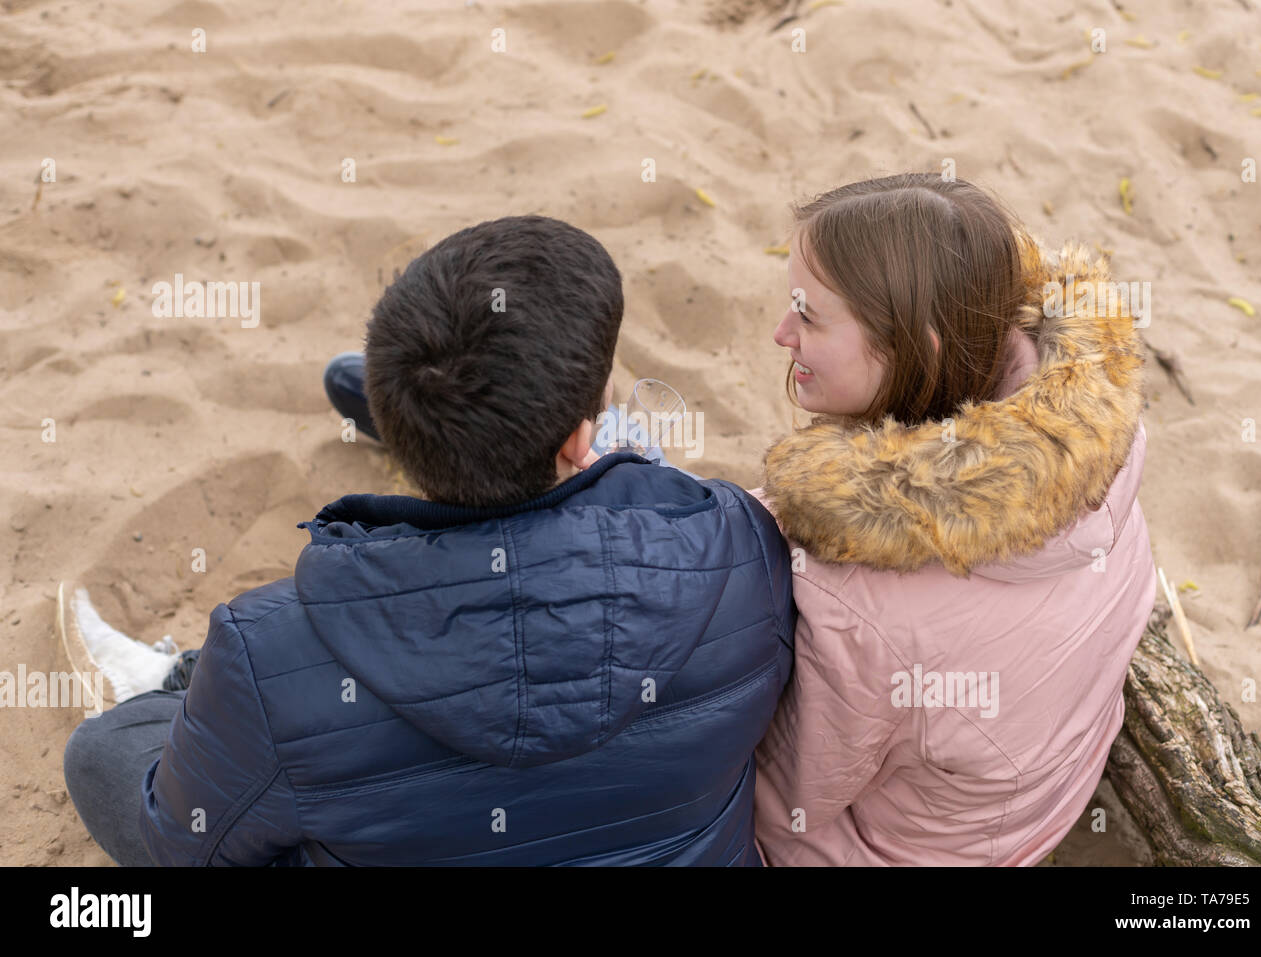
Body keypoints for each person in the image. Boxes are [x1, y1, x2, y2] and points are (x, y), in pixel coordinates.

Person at [62, 214, 795, 866]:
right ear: (583, 440)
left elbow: (178, 841)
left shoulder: (264, 648)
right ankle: (498, 430)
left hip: (287, 701)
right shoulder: (745, 549)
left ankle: (171, 684)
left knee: (100, 752)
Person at [751, 174, 1156, 866]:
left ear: (922, 348)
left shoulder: (856, 594)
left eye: (810, 318)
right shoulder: (1099, 441)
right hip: (1042, 803)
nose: (782, 333)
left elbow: (790, 790)